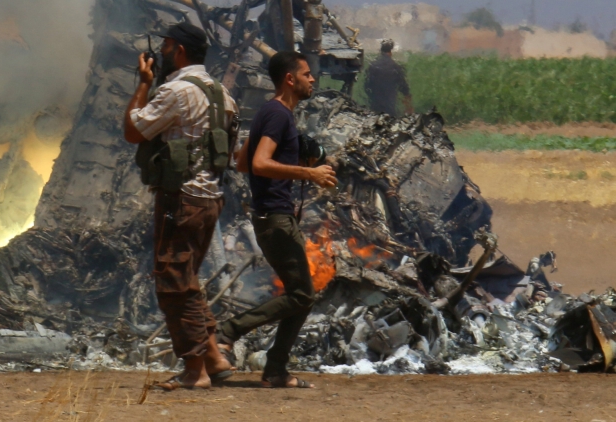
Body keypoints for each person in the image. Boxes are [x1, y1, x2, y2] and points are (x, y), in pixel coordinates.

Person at [124, 22, 239, 390]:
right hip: (210, 201)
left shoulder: (174, 92)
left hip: (181, 200)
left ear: (182, 52)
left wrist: (144, 82)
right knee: (186, 279)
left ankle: (195, 371)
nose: (162, 53)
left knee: (172, 283)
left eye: (168, 46)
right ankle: (215, 359)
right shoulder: (223, 94)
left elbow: (133, 130)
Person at [217, 51, 337, 389]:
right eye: (307, 74)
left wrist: (291, 155)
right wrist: (308, 172)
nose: (313, 79)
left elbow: (241, 162)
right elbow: (259, 164)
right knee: (302, 296)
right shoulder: (279, 115)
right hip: (276, 218)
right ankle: (230, 330)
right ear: (290, 78)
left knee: (302, 293)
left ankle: (276, 370)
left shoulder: (269, 113)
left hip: (271, 217)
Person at [364, 39, 413, 116]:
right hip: (389, 101)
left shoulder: (373, 65)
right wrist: (408, 106)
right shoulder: (396, 66)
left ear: (380, 51)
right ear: (390, 52)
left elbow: (367, 86)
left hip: (375, 101)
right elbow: (404, 87)